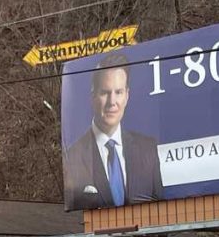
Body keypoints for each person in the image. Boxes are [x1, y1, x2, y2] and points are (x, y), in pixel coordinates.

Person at [64, 52, 163, 210]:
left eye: (118, 92)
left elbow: (160, 209)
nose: (112, 102)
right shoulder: (74, 156)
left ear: (127, 96)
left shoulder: (147, 150)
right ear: (93, 97)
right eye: (105, 92)